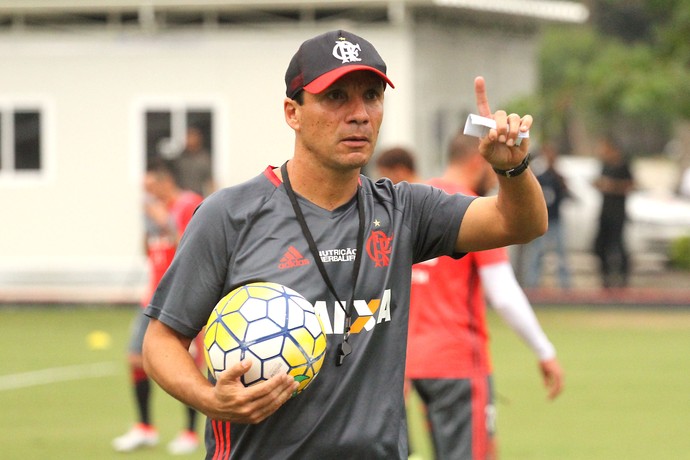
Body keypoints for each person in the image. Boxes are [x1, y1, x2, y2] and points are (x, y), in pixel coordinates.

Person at [141, 29, 547, 459]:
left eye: (372, 96)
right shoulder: (230, 215)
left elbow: (518, 223)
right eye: (336, 97)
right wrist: (210, 400)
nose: (360, 114)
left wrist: (513, 168)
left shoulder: (403, 210)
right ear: (292, 112)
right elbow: (161, 341)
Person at [403, 133, 564, 460]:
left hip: (405, 363)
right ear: (479, 160)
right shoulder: (471, 208)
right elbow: (503, 293)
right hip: (457, 362)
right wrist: (544, 350)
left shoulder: (414, 202)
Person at [112, 158, 205, 455]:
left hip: (183, 297)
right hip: (152, 297)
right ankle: (145, 427)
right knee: (136, 359)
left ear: (166, 182)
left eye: (152, 187)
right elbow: (149, 251)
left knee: (186, 364)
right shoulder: (154, 212)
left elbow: (194, 247)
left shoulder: (189, 203)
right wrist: (148, 226)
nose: (148, 193)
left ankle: (190, 433)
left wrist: (163, 218)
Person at [524, 142, 572, 289]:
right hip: (540, 221)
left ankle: (565, 284)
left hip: (555, 220)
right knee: (537, 253)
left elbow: (566, 194)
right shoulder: (540, 177)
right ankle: (532, 283)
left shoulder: (558, 177)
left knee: (561, 254)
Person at [593, 137, 635, 288]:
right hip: (605, 211)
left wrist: (611, 186)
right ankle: (606, 277)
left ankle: (623, 277)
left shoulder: (623, 165)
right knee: (600, 245)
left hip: (618, 212)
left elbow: (631, 185)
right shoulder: (605, 165)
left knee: (618, 245)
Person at [175, 126, 215, 197]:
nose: (189, 140)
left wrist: (212, 196)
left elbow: (209, 180)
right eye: (187, 137)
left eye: (192, 137)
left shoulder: (204, 158)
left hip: (198, 194)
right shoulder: (180, 158)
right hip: (182, 195)